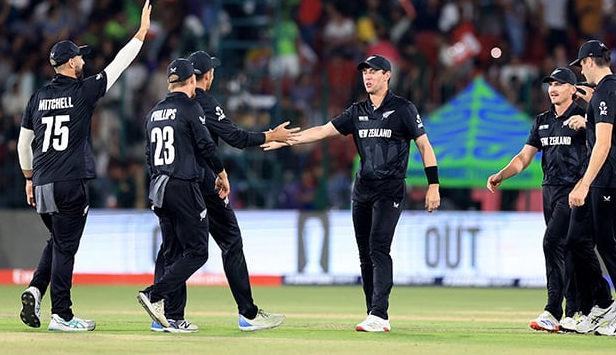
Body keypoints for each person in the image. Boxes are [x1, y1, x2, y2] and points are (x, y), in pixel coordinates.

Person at [262, 54, 441, 332]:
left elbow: (425, 146)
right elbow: (323, 131)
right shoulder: (356, 111)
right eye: (365, 72)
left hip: (390, 189)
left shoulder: (404, 109)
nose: (368, 76)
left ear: (387, 76)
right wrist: (286, 141)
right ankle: (373, 313)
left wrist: (433, 184)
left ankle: (380, 315)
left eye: (374, 72)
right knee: (365, 255)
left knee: (379, 249)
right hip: (362, 191)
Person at [16, 0, 152, 332]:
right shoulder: (82, 92)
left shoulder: (37, 98)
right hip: (70, 180)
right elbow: (118, 67)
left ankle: (35, 288)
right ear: (68, 62)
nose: (82, 59)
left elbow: (23, 144)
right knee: (66, 247)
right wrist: (141, 34)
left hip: (44, 181)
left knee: (57, 241)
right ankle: (61, 315)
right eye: (79, 56)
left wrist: (29, 179)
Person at [147, 50, 293, 333]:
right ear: (207, 75)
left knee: (171, 249)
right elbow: (233, 138)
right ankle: (248, 314)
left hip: (167, 184)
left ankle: (165, 315)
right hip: (201, 186)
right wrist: (269, 135)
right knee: (229, 241)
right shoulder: (201, 104)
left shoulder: (163, 108)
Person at [487, 67, 588, 332]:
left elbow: (606, 145)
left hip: (575, 190)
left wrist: (585, 186)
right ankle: (576, 310)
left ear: (573, 90)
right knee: (565, 249)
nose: (552, 88)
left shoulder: (584, 118)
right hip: (550, 190)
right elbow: (524, 158)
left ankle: (555, 310)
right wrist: (502, 174)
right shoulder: (542, 120)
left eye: (559, 84)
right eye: (550, 84)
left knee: (552, 242)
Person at [137, 58, 230, 332]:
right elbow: (205, 144)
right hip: (182, 185)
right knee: (198, 251)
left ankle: (173, 317)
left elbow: (148, 155)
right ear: (191, 81)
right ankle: (155, 295)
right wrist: (221, 174)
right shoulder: (190, 106)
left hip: (158, 186)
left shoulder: (153, 112)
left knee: (173, 251)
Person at [567, 39, 616, 336]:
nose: (581, 72)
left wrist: (583, 184)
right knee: (579, 240)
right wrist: (596, 110)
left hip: (611, 180)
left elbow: (603, 143)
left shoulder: (604, 93)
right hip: (615, 178)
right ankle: (604, 304)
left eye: (581, 65)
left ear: (588, 61)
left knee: (611, 248)